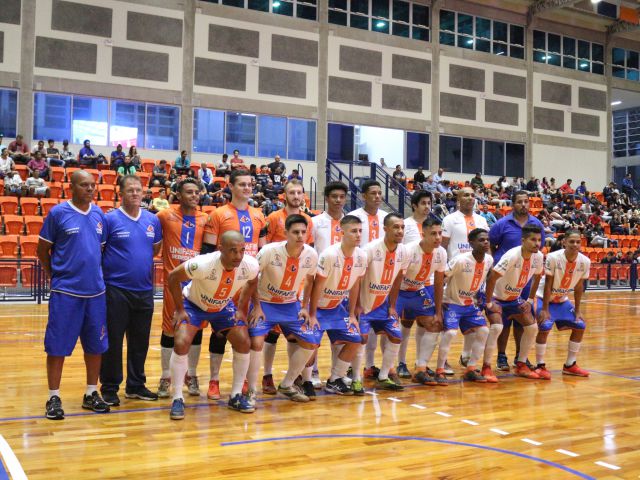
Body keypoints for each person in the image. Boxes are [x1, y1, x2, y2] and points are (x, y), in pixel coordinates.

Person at [37, 170, 110, 420]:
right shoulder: (58, 213)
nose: (90, 189)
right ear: (72, 187)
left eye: (93, 185)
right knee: (57, 346)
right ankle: (53, 397)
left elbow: (100, 250)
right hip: (66, 292)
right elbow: (42, 250)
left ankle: (91, 392)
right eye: (84, 185)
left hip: (96, 292)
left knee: (96, 345)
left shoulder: (99, 215)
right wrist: (54, 275)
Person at [166, 231, 259, 419]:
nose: (238, 256)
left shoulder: (250, 265)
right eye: (233, 251)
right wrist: (180, 309)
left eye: (242, 250)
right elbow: (173, 277)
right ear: (220, 249)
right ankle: (177, 398)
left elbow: (252, 282)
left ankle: (235, 396)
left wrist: (242, 309)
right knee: (181, 342)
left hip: (222, 307)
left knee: (243, 342)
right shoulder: (202, 264)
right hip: (194, 305)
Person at [203, 170, 266, 400]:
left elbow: (262, 253)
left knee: (246, 333)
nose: (247, 188)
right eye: (242, 184)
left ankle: (244, 381)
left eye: (250, 184)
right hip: (224, 283)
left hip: (249, 284)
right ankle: (214, 380)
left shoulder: (259, 215)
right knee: (220, 333)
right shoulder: (218, 214)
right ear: (231, 186)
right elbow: (207, 252)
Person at [243, 215, 320, 404]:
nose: (300, 236)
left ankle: (287, 384)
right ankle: (250, 390)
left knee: (311, 342)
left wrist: (305, 307)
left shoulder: (311, 254)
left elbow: (310, 281)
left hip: (290, 305)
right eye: (295, 232)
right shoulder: (269, 251)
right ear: (286, 233)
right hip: (265, 303)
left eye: (303, 232)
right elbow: (251, 278)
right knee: (257, 343)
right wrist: (257, 306)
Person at [99, 176, 162, 406]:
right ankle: (109, 387)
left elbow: (155, 249)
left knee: (140, 341)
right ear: (121, 194)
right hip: (115, 290)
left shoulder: (152, 220)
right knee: (113, 341)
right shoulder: (109, 219)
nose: (135, 193)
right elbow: (99, 250)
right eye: (130, 190)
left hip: (144, 290)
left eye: (138, 190)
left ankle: (135, 385)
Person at [156, 178, 211, 399]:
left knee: (196, 329)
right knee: (169, 330)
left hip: (197, 285)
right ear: (178, 195)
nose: (194, 196)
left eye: (196, 192)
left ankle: (192, 374)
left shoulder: (205, 219)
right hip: (173, 285)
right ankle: (165, 376)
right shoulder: (164, 216)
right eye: (189, 192)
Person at [260, 179, 314, 392]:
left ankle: (296, 376)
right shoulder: (274, 218)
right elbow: (264, 247)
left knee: (294, 336)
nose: (296, 196)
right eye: (292, 192)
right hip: (273, 281)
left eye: (299, 192)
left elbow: (307, 252)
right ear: (284, 195)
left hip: (295, 285)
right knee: (271, 335)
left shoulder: (308, 220)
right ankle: (267, 375)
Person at [308, 215, 367, 395]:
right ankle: (304, 381)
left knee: (355, 339)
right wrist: (312, 315)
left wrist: (351, 314)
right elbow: (317, 286)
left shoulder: (361, 256)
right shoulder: (329, 255)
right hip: (317, 308)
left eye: (360, 231)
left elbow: (355, 285)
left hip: (336, 308)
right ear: (342, 232)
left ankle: (335, 379)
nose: (358, 235)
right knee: (310, 344)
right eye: (354, 231)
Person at [489, 190, 546, 371]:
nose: (523, 204)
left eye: (526, 201)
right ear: (513, 204)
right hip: (504, 276)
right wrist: (494, 260)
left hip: (525, 278)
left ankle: (520, 357)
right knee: (504, 322)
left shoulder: (536, 224)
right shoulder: (502, 223)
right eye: (520, 201)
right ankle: (501, 356)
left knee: (523, 318)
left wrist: (530, 299)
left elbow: (540, 248)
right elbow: (490, 243)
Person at [390, 217, 447, 383]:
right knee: (391, 326)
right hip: (399, 291)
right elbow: (396, 279)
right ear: (423, 234)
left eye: (440, 233)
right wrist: (392, 306)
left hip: (417, 291)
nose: (438, 237)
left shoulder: (441, 253)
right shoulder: (409, 250)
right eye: (433, 234)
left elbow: (438, 283)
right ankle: (390, 369)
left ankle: (421, 368)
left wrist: (438, 312)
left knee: (435, 323)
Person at [355, 213, 407, 391]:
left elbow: (398, 279)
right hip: (364, 304)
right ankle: (356, 379)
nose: (400, 231)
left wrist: (392, 305)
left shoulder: (403, 251)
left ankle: (384, 376)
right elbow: (357, 279)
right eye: (396, 227)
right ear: (385, 229)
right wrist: (356, 306)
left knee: (396, 336)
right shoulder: (369, 249)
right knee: (361, 339)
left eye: (402, 227)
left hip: (383, 305)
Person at [444, 228, 500, 383]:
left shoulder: (489, 260)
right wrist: (440, 300)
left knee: (484, 331)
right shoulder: (460, 260)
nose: (486, 242)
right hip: (451, 302)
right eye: (481, 240)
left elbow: (489, 279)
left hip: (469, 303)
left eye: (487, 240)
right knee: (449, 333)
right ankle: (440, 368)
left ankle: (471, 368)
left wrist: (488, 302)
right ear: (471, 243)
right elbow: (441, 277)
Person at [533, 230, 591, 380]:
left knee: (580, 325)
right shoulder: (553, 257)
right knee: (545, 325)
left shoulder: (585, 261)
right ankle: (540, 365)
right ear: (564, 242)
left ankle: (570, 365)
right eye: (571, 241)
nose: (575, 245)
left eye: (578, 242)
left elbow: (579, 287)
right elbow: (548, 284)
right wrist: (545, 309)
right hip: (542, 298)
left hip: (561, 300)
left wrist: (577, 310)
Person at [350, 180, 389, 379]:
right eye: (373, 193)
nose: (377, 196)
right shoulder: (354, 217)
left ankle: (370, 365)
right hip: (358, 275)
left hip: (381, 277)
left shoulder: (386, 218)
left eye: (379, 193)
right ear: (363, 196)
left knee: (374, 325)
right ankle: (352, 366)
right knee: (359, 322)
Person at [311, 181, 347, 254]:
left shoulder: (350, 222)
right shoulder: (314, 222)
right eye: (334, 196)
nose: (338, 200)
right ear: (326, 198)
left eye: (342, 197)